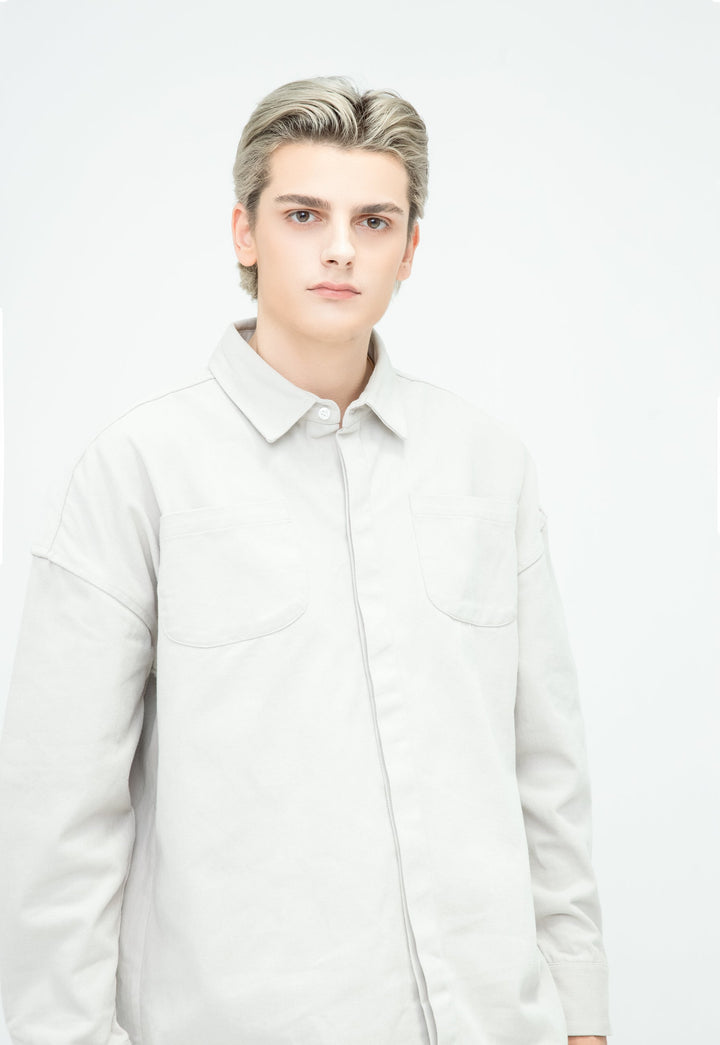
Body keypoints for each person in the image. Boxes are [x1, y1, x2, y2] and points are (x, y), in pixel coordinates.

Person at [0, 76, 612, 1044]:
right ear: (244, 232)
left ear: (410, 248)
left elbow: (548, 772)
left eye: (374, 221)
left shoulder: (488, 466)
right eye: (303, 214)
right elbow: (58, 816)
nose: (340, 248)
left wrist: (581, 1014)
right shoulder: (140, 473)